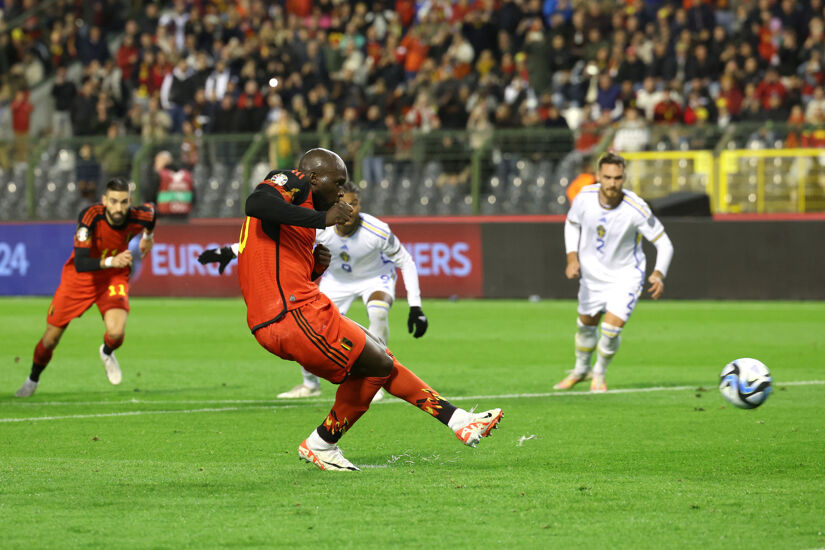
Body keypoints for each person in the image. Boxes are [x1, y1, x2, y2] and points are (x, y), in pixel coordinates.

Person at [229, 148, 501, 471]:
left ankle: (458, 419)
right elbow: (255, 203)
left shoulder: (301, 226)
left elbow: (277, 270)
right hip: (289, 315)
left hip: (296, 310)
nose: (341, 191)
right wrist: (321, 218)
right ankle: (322, 444)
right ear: (314, 178)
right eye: (337, 181)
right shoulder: (296, 181)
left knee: (379, 354)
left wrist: (315, 268)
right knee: (375, 366)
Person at [198, 182, 429, 401]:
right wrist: (228, 251)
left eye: (355, 203)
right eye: (345, 203)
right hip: (337, 280)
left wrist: (415, 306)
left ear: (360, 205)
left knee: (378, 311)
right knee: (309, 324)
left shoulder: (377, 230)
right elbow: (277, 243)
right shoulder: (322, 228)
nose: (350, 208)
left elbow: (405, 261)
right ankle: (310, 385)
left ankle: (375, 377)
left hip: (374, 278)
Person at [15, 178, 156, 397]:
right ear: (104, 201)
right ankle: (32, 379)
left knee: (116, 332)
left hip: (113, 278)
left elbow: (151, 215)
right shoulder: (90, 216)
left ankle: (107, 352)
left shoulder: (140, 214)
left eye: (124, 202)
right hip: (80, 281)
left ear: (130, 201)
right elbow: (80, 262)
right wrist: (112, 261)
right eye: (114, 201)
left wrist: (148, 236)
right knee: (51, 339)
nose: (119, 207)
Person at [554, 153, 674, 393]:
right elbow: (572, 223)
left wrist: (658, 273)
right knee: (586, 326)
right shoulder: (584, 198)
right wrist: (571, 257)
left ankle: (598, 373)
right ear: (598, 176)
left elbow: (665, 244)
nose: (612, 183)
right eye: (607, 177)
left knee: (610, 330)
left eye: (617, 178)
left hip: (625, 276)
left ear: (624, 178)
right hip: (592, 276)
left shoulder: (637, 209)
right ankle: (579, 371)